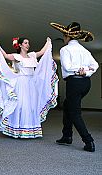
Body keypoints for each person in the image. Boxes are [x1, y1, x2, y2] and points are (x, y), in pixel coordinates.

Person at [0, 37, 58, 138]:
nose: (28, 45)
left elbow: (42, 52)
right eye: (25, 43)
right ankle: (16, 128)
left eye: (28, 43)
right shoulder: (16, 56)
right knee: (20, 105)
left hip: (31, 83)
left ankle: (29, 129)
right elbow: (5, 55)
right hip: (21, 83)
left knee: (31, 105)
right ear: (20, 45)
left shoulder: (32, 55)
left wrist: (48, 42)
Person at [50, 22, 99, 152]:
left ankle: (89, 141)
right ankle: (67, 136)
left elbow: (66, 66)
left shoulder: (65, 49)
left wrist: (79, 70)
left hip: (74, 83)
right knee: (67, 106)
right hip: (86, 83)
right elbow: (95, 65)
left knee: (74, 112)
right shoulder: (84, 50)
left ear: (67, 37)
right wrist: (86, 71)